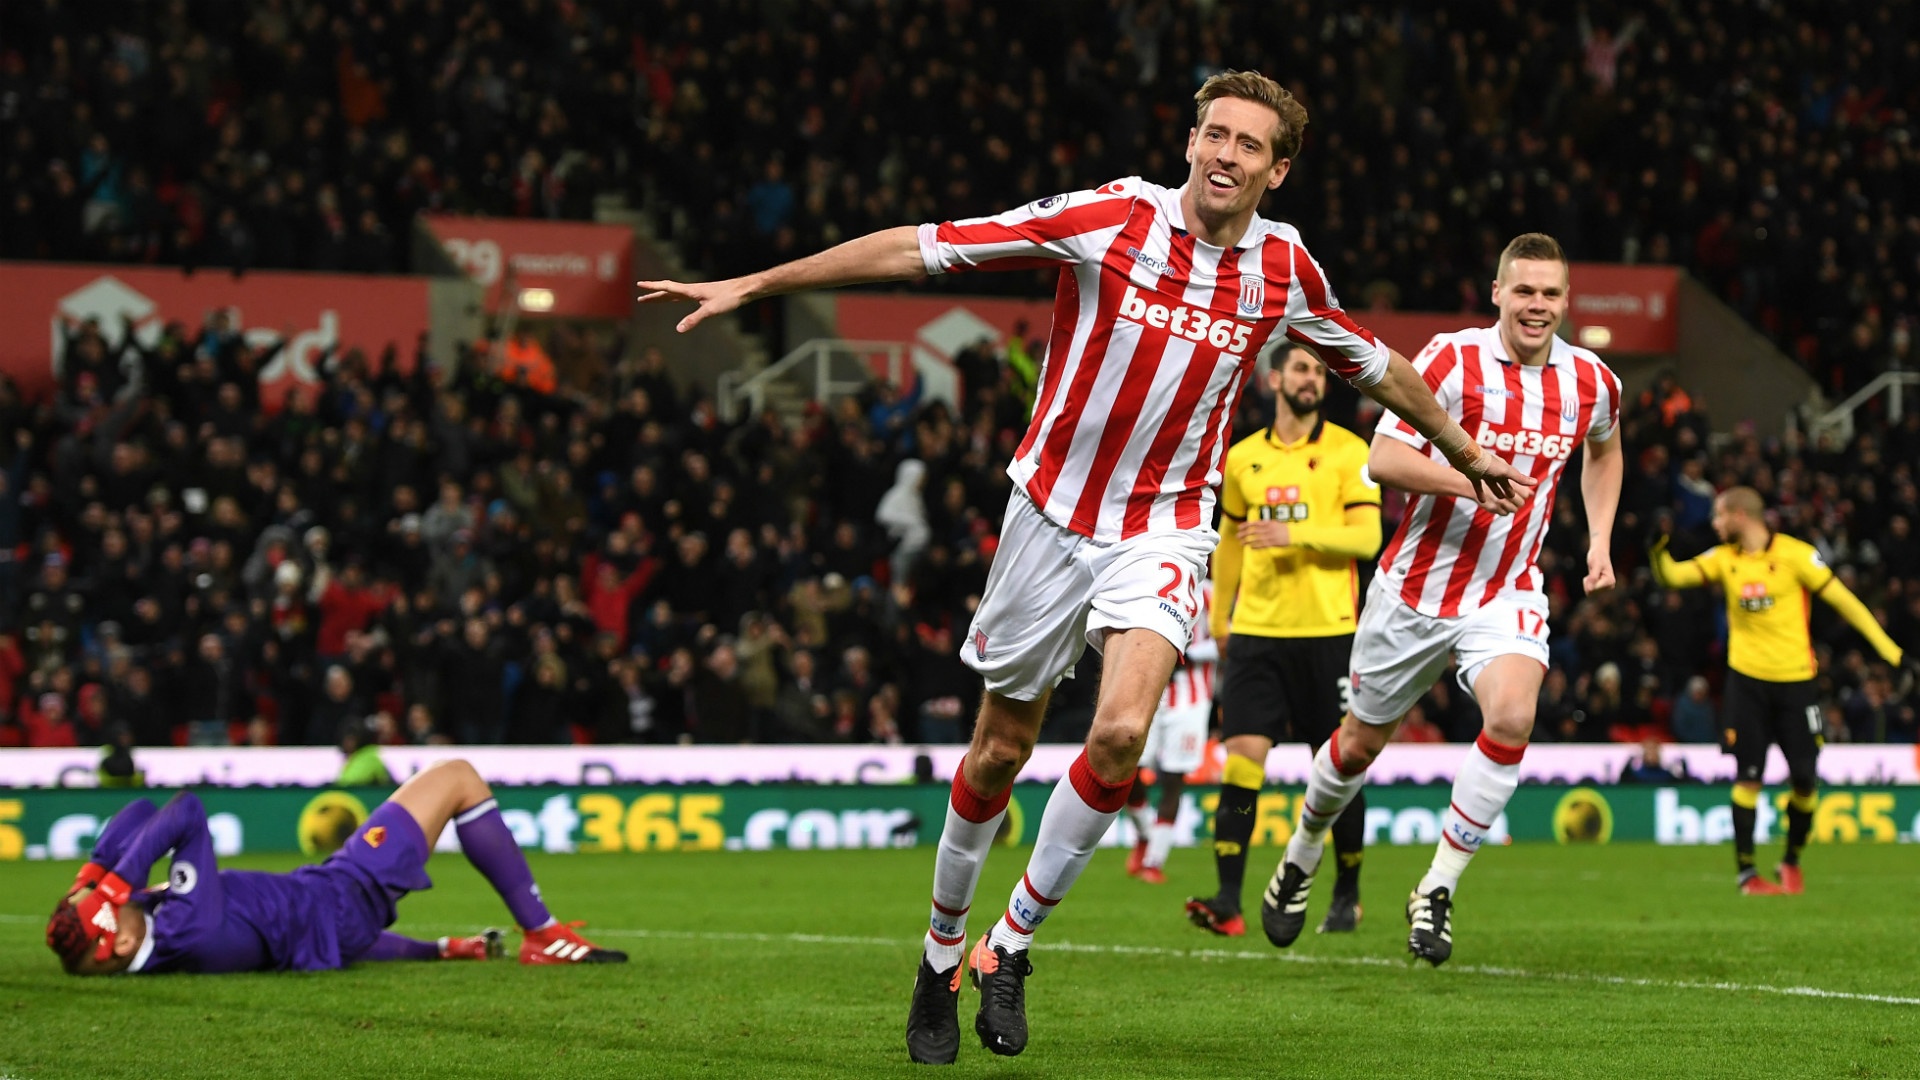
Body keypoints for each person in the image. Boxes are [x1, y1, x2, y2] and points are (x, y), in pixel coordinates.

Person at [640, 70, 1532, 1064]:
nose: (1226, 155)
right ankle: (939, 951)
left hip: (1165, 527)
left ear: (1279, 170)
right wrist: (760, 282)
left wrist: (1460, 448)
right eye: (1215, 135)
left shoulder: (1286, 270)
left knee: (1118, 735)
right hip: (1050, 514)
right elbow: (921, 247)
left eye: (1250, 145)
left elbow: (1379, 366)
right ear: (1190, 139)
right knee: (995, 753)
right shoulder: (1108, 216)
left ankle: (1008, 946)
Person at [1255, 232, 1623, 969]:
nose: (1537, 306)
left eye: (1550, 294)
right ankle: (1301, 853)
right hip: (1416, 588)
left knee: (1515, 714)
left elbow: (1605, 449)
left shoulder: (1593, 382)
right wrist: (1471, 477)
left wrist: (1599, 541)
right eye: (1524, 291)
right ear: (1497, 293)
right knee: (1357, 745)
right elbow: (1382, 459)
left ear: (1566, 300)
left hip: (1507, 587)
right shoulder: (1453, 359)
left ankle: (1436, 888)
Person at [46, 759, 626, 975]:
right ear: (118, 944)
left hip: (326, 914)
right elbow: (183, 811)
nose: (117, 901)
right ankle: (544, 936)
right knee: (458, 779)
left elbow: (139, 811)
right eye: (110, 911)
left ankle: (495, 943)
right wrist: (114, 881)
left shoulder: (146, 937)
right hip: (342, 893)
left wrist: (91, 880)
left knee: (318, 925)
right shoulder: (186, 928)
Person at [1184, 343, 1381, 938]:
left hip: (1329, 633)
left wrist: (1293, 534)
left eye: (1320, 371)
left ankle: (1346, 892)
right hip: (1257, 635)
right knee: (1242, 760)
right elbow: (1233, 544)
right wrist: (1221, 622)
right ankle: (1228, 899)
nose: (1312, 379)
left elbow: (1366, 539)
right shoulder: (1243, 459)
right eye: (1301, 368)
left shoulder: (1350, 451)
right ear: (1274, 379)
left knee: (1339, 769)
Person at [1650, 486, 1906, 894]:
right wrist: (1657, 548)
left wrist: (1892, 654)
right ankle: (1747, 875)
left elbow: (1847, 602)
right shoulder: (1724, 559)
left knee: (1805, 778)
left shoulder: (1796, 555)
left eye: (1719, 516)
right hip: (1746, 683)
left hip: (1797, 683)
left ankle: (1791, 861)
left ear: (1739, 515)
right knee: (1748, 776)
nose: (1715, 525)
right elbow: (1672, 576)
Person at [1123, 578, 1217, 886]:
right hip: (1152, 693)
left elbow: (1228, 641)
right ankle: (1145, 835)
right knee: (1128, 770)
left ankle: (1154, 861)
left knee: (1173, 779)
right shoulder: (1153, 582)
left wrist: (1187, 655)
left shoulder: (1211, 593)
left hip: (1192, 700)